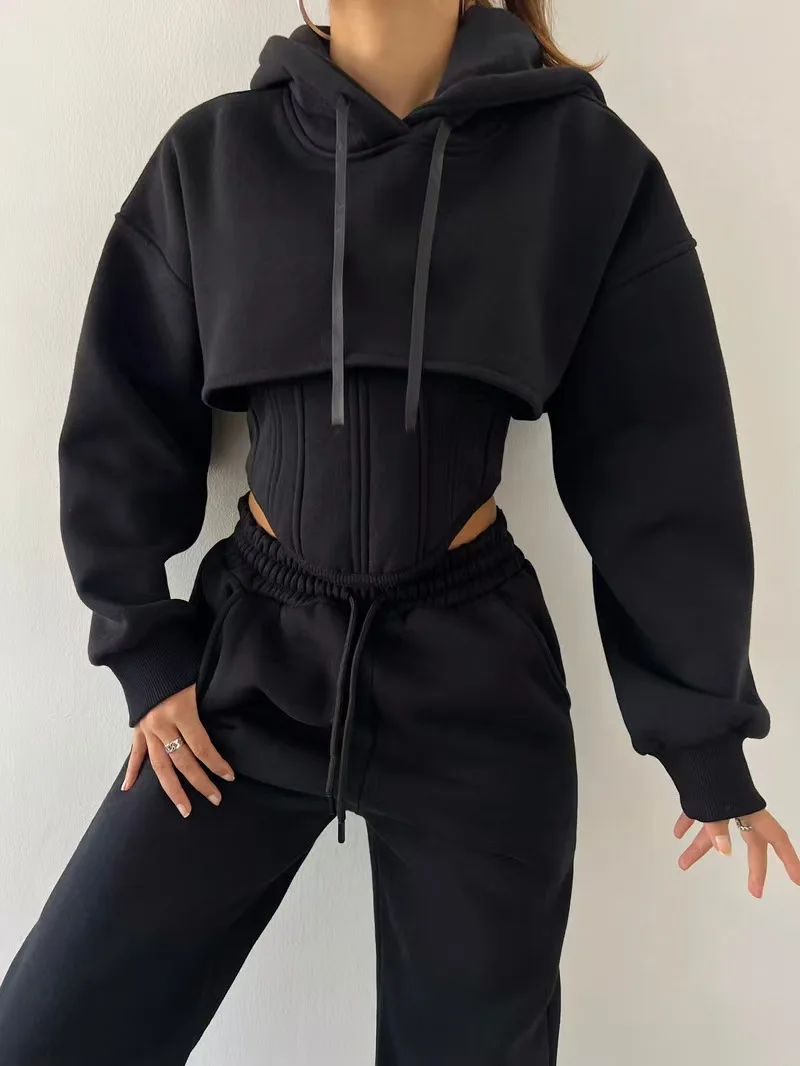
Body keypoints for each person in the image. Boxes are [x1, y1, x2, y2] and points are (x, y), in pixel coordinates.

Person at [1, 1, 797, 1063]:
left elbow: (662, 459)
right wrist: (143, 644)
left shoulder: (581, 163)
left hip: (478, 691)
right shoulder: (216, 156)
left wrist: (703, 736)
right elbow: (122, 415)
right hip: (251, 670)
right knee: (48, 1031)